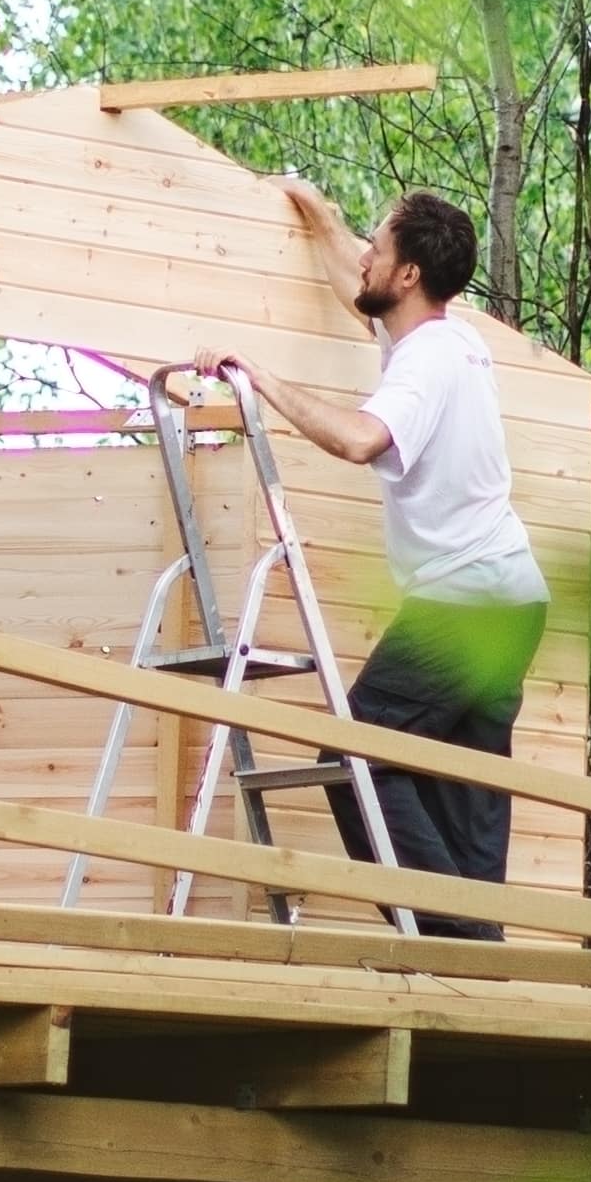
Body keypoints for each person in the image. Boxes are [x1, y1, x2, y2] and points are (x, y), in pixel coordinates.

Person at [215, 181, 548, 936]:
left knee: (355, 748)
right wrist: (323, 218)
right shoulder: (443, 335)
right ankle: (484, 964)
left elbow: (362, 438)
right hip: (511, 597)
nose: (365, 255)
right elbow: (353, 287)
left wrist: (262, 380)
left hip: (466, 599)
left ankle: (448, 943)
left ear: (406, 275)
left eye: (379, 246)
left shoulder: (425, 362)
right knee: (465, 789)